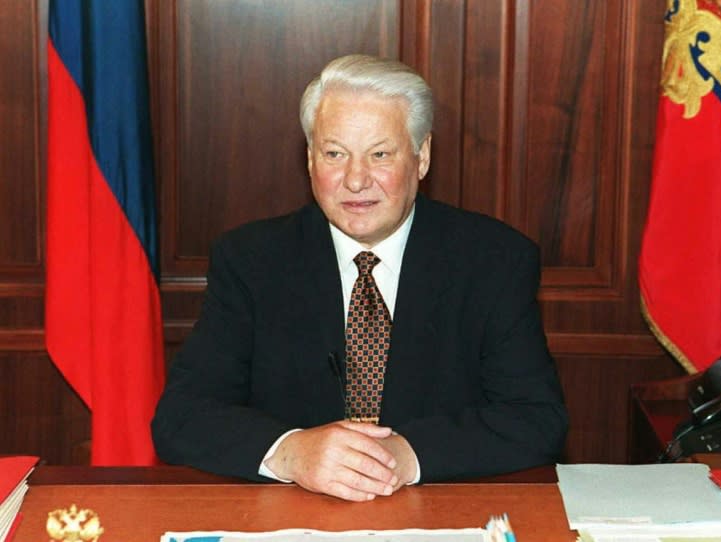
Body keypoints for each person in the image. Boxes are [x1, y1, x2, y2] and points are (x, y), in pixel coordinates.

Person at [151, 54, 568, 502]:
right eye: (335, 154)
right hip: (292, 520)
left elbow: (535, 419)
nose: (355, 180)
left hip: (438, 518)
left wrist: (407, 456)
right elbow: (182, 415)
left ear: (421, 156)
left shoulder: (494, 260)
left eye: (380, 154)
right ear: (310, 160)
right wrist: (291, 452)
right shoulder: (250, 260)